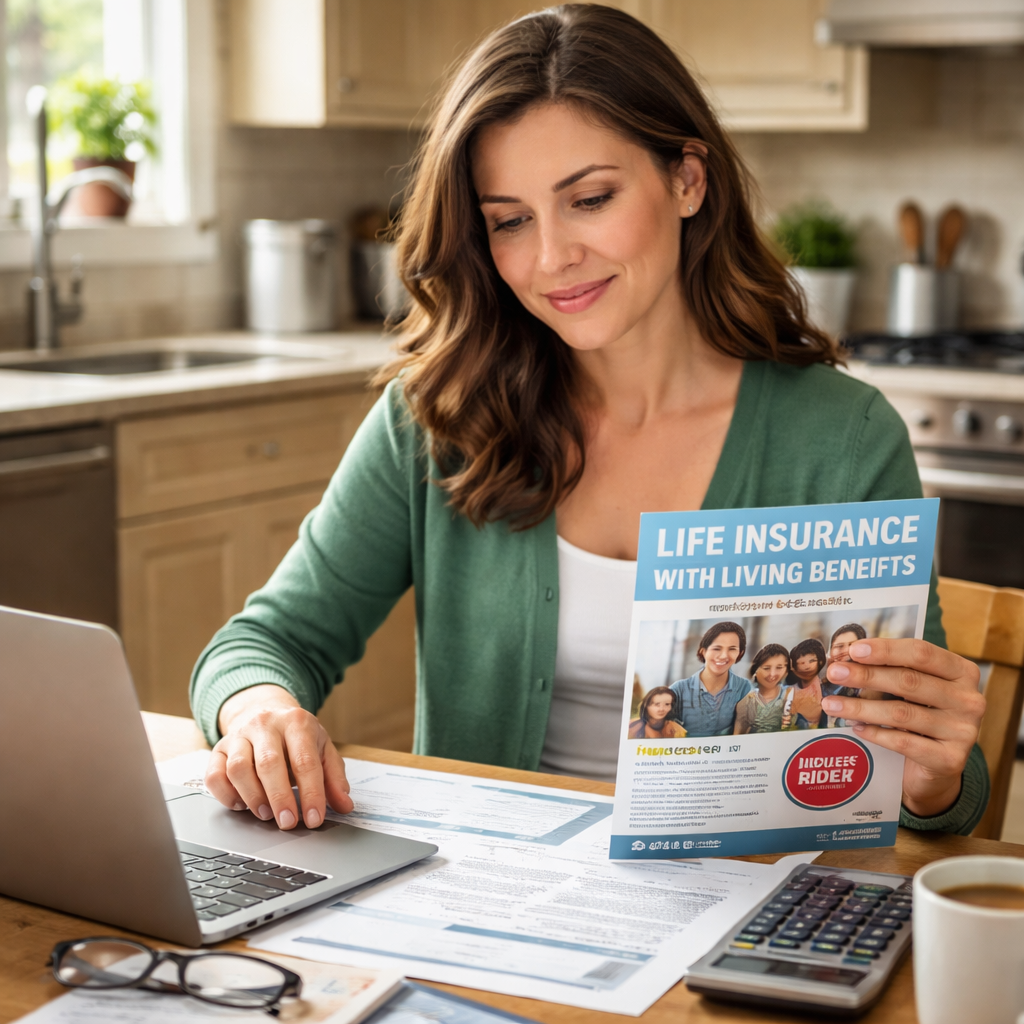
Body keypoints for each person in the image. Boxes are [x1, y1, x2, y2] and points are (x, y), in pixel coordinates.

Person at [190, 5, 988, 838]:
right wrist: (258, 713)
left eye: (591, 198)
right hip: (497, 905)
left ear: (688, 180)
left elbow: (944, 791)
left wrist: (930, 775)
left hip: (746, 909)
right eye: (510, 220)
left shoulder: (844, 437)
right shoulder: (439, 417)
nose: (550, 258)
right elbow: (265, 643)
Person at [669, 622, 752, 736]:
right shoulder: (678, 690)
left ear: (740, 653)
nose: (723, 655)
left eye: (732, 649)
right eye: (717, 648)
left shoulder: (744, 688)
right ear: (703, 651)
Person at [734, 644, 793, 734]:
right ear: (755, 670)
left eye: (779, 668)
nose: (772, 674)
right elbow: (737, 736)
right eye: (766, 668)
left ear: (786, 671)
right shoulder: (747, 701)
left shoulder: (791, 695)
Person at [787, 639, 828, 729]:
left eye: (812, 661)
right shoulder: (791, 690)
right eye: (802, 663)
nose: (807, 666)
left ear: (820, 661)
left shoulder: (825, 687)